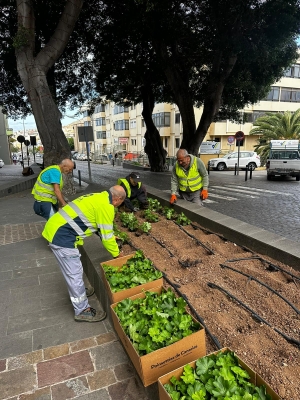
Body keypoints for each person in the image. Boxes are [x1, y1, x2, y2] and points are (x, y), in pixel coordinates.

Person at [42, 186, 126, 322]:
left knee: (74, 270)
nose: (117, 207)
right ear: (117, 199)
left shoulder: (98, 196)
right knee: (74, 274)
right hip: (62, 237)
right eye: (120, 204)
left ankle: (79, 290)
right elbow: (107, 238)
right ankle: (82, 310)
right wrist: (117, 255)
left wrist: (108, 235)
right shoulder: (107, 206)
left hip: (57, 228)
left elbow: (92, 221)